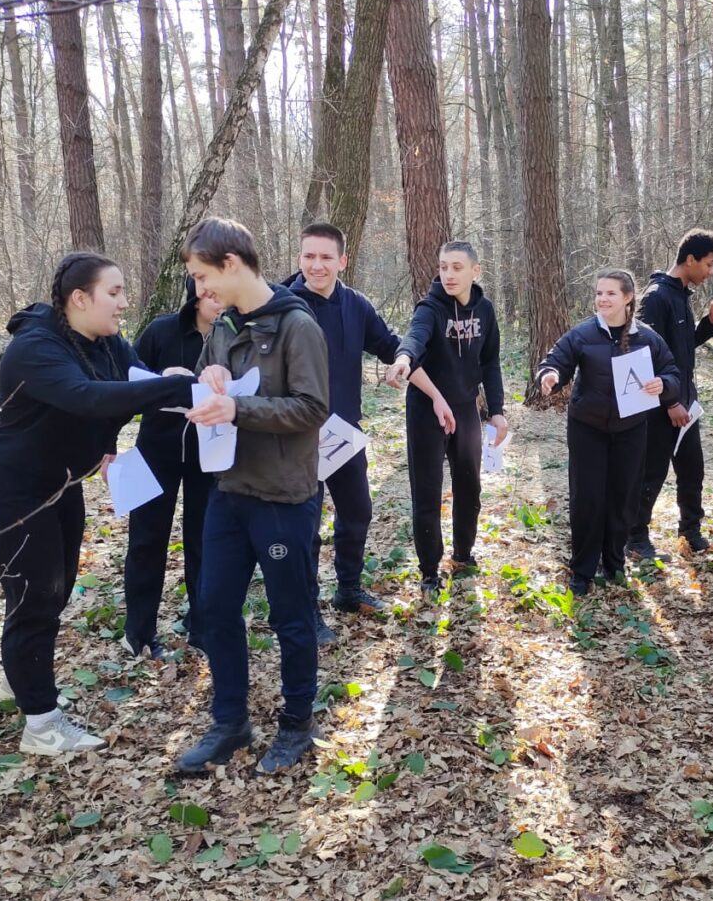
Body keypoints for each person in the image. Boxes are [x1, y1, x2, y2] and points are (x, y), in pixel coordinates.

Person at [0, 253, 196, 756]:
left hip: (61, 488)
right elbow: (88, 398)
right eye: (114, 293)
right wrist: (176, 385)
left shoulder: (106, 342)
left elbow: (136, 379)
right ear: (79, 298)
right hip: (10, 493)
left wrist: (176, 378)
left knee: (55, 592)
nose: (124, 303)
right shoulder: (35, 348)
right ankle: (42, 726)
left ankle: (21, 681)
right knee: (36, 600)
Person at [175, 218, 332, 776]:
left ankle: (297, 725)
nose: (200, 290)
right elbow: (203, 383)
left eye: (202, 276)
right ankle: (230, 721)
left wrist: (240, 408)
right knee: (213, 606)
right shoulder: (222, 325)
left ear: (232, 264)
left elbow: (313, 408)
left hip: (283, 496)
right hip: (229, 489)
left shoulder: (297, 326)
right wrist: (211, 372)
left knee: (291, 617)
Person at [286, 222, 455, 627]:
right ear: (299, 258)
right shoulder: (282, 305)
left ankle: (347, 589)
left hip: (343, 435)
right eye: (309, 256)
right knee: (305, 525)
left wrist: (432, 393)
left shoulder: (355, 304)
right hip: (295, 437)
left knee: (358, 511)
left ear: (343, 260)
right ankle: (306, 609)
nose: (317, 265)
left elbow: (394, 348)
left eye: (326, 257)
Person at [535, 270, 682, 595]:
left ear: (628, 298)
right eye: (599, 293)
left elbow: (672, 372)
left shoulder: (647, 337)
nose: (602, 299)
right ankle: (583, 571)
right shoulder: (583, 334)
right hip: (588, 428)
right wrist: (549, 376)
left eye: (610, 293)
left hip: (631, 429)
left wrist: (665, 385)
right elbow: (555, 360)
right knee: (588, 498)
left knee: (623, 497)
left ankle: (614, 563)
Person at [384, 241, 507, 599]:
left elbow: (491, 362)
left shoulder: (485, 311)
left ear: (475, 271)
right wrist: (405, 359)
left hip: (466, 409)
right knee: (427, 492)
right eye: (443, 267)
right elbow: (415, 337)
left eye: (457, 267)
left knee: (469, 488)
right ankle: (428, 571)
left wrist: (496, 411)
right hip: (426, 410)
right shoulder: (430, 307)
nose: (449, 274)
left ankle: (463, 555)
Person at [122, 278, 221, 658]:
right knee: (147, 542)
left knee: (205, 541)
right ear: (194, 292)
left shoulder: (234, 337)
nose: (215, 299)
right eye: (206, 291)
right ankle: (140, 633)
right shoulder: (161, 330)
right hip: (155, 452)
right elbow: (125, 384)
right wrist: (162, 383)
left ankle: (202, 626)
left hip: (210, 454)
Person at [627, 228, 713, 559]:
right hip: (660, 408)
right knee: (651, 472)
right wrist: (669, 401)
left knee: (692, 470)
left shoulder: (681, 295)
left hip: (686, 404)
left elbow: (678, 349)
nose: (711, 271)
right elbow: (645, 355)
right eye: (710, 264)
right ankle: (636, 537)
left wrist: (710, 322)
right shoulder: (657, 297)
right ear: (690, 260)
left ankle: (691, 531)